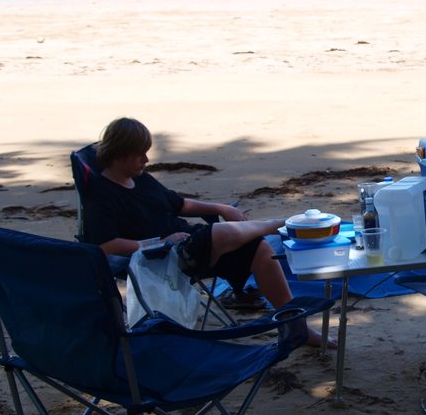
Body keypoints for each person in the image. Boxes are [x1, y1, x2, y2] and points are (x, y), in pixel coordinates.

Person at [82, 117, 334, 349]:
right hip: (159, 257)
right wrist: (156, 242)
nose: (146, 160)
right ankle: (281, 225)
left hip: (189, 244)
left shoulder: (140, 178)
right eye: (140, 155)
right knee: (216, 234)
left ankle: (295, 326)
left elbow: (179, 205)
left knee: (259, 249)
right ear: (120, 154)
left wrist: (219, 207)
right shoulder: (100, 195)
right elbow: (105, 246)